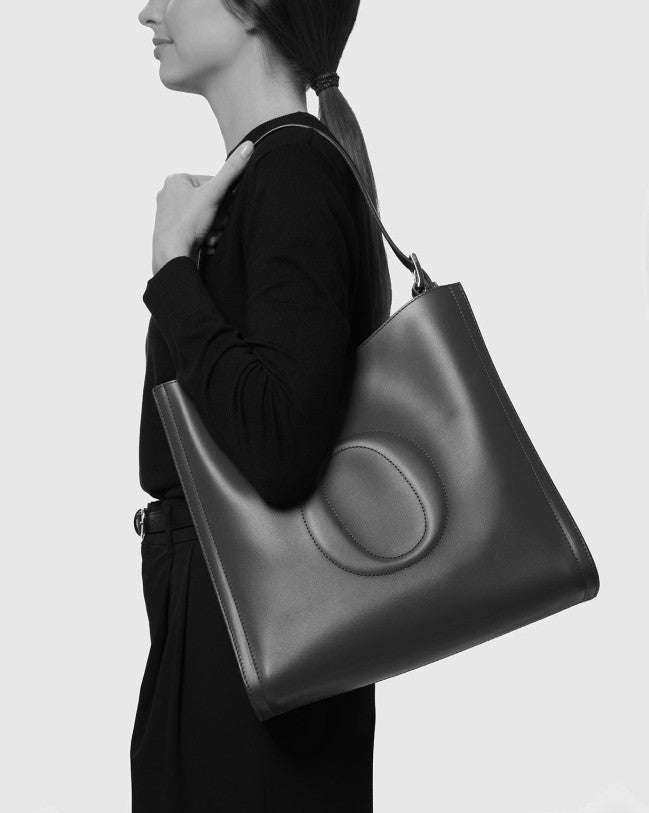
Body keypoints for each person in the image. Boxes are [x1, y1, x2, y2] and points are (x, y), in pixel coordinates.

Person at [132, 0, 392, 810]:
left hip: (257, 637)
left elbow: (281, 446)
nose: (146, 12)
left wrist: (172, 269)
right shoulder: (272, 175)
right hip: (239, 628)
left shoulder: (293, 173)